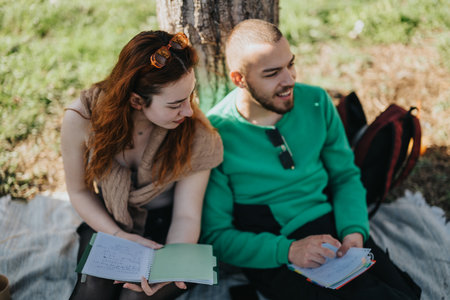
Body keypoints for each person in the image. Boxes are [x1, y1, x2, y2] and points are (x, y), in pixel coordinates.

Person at [201, 19, 421, 299]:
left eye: (290, 64)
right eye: (272, 73)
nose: (289, 80)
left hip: (334, 231)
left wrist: (354, 231)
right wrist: (289, 250)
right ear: (239, 79)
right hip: (275, 250)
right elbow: (216, 236)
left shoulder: (316, 102)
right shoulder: (215, 135)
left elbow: (345, 176)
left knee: (404, 293)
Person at [61, 30, 223, 300]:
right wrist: (116, 234)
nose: (189, 111)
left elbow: (187, 216)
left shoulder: (197, 134)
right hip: (108, 219)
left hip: (169, 231)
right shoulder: (83, 119)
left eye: (190, 96)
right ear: (137, 100)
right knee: (93, 291)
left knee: (137, 297)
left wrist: (172, 268)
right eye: (175, 104)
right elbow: (79, 191)